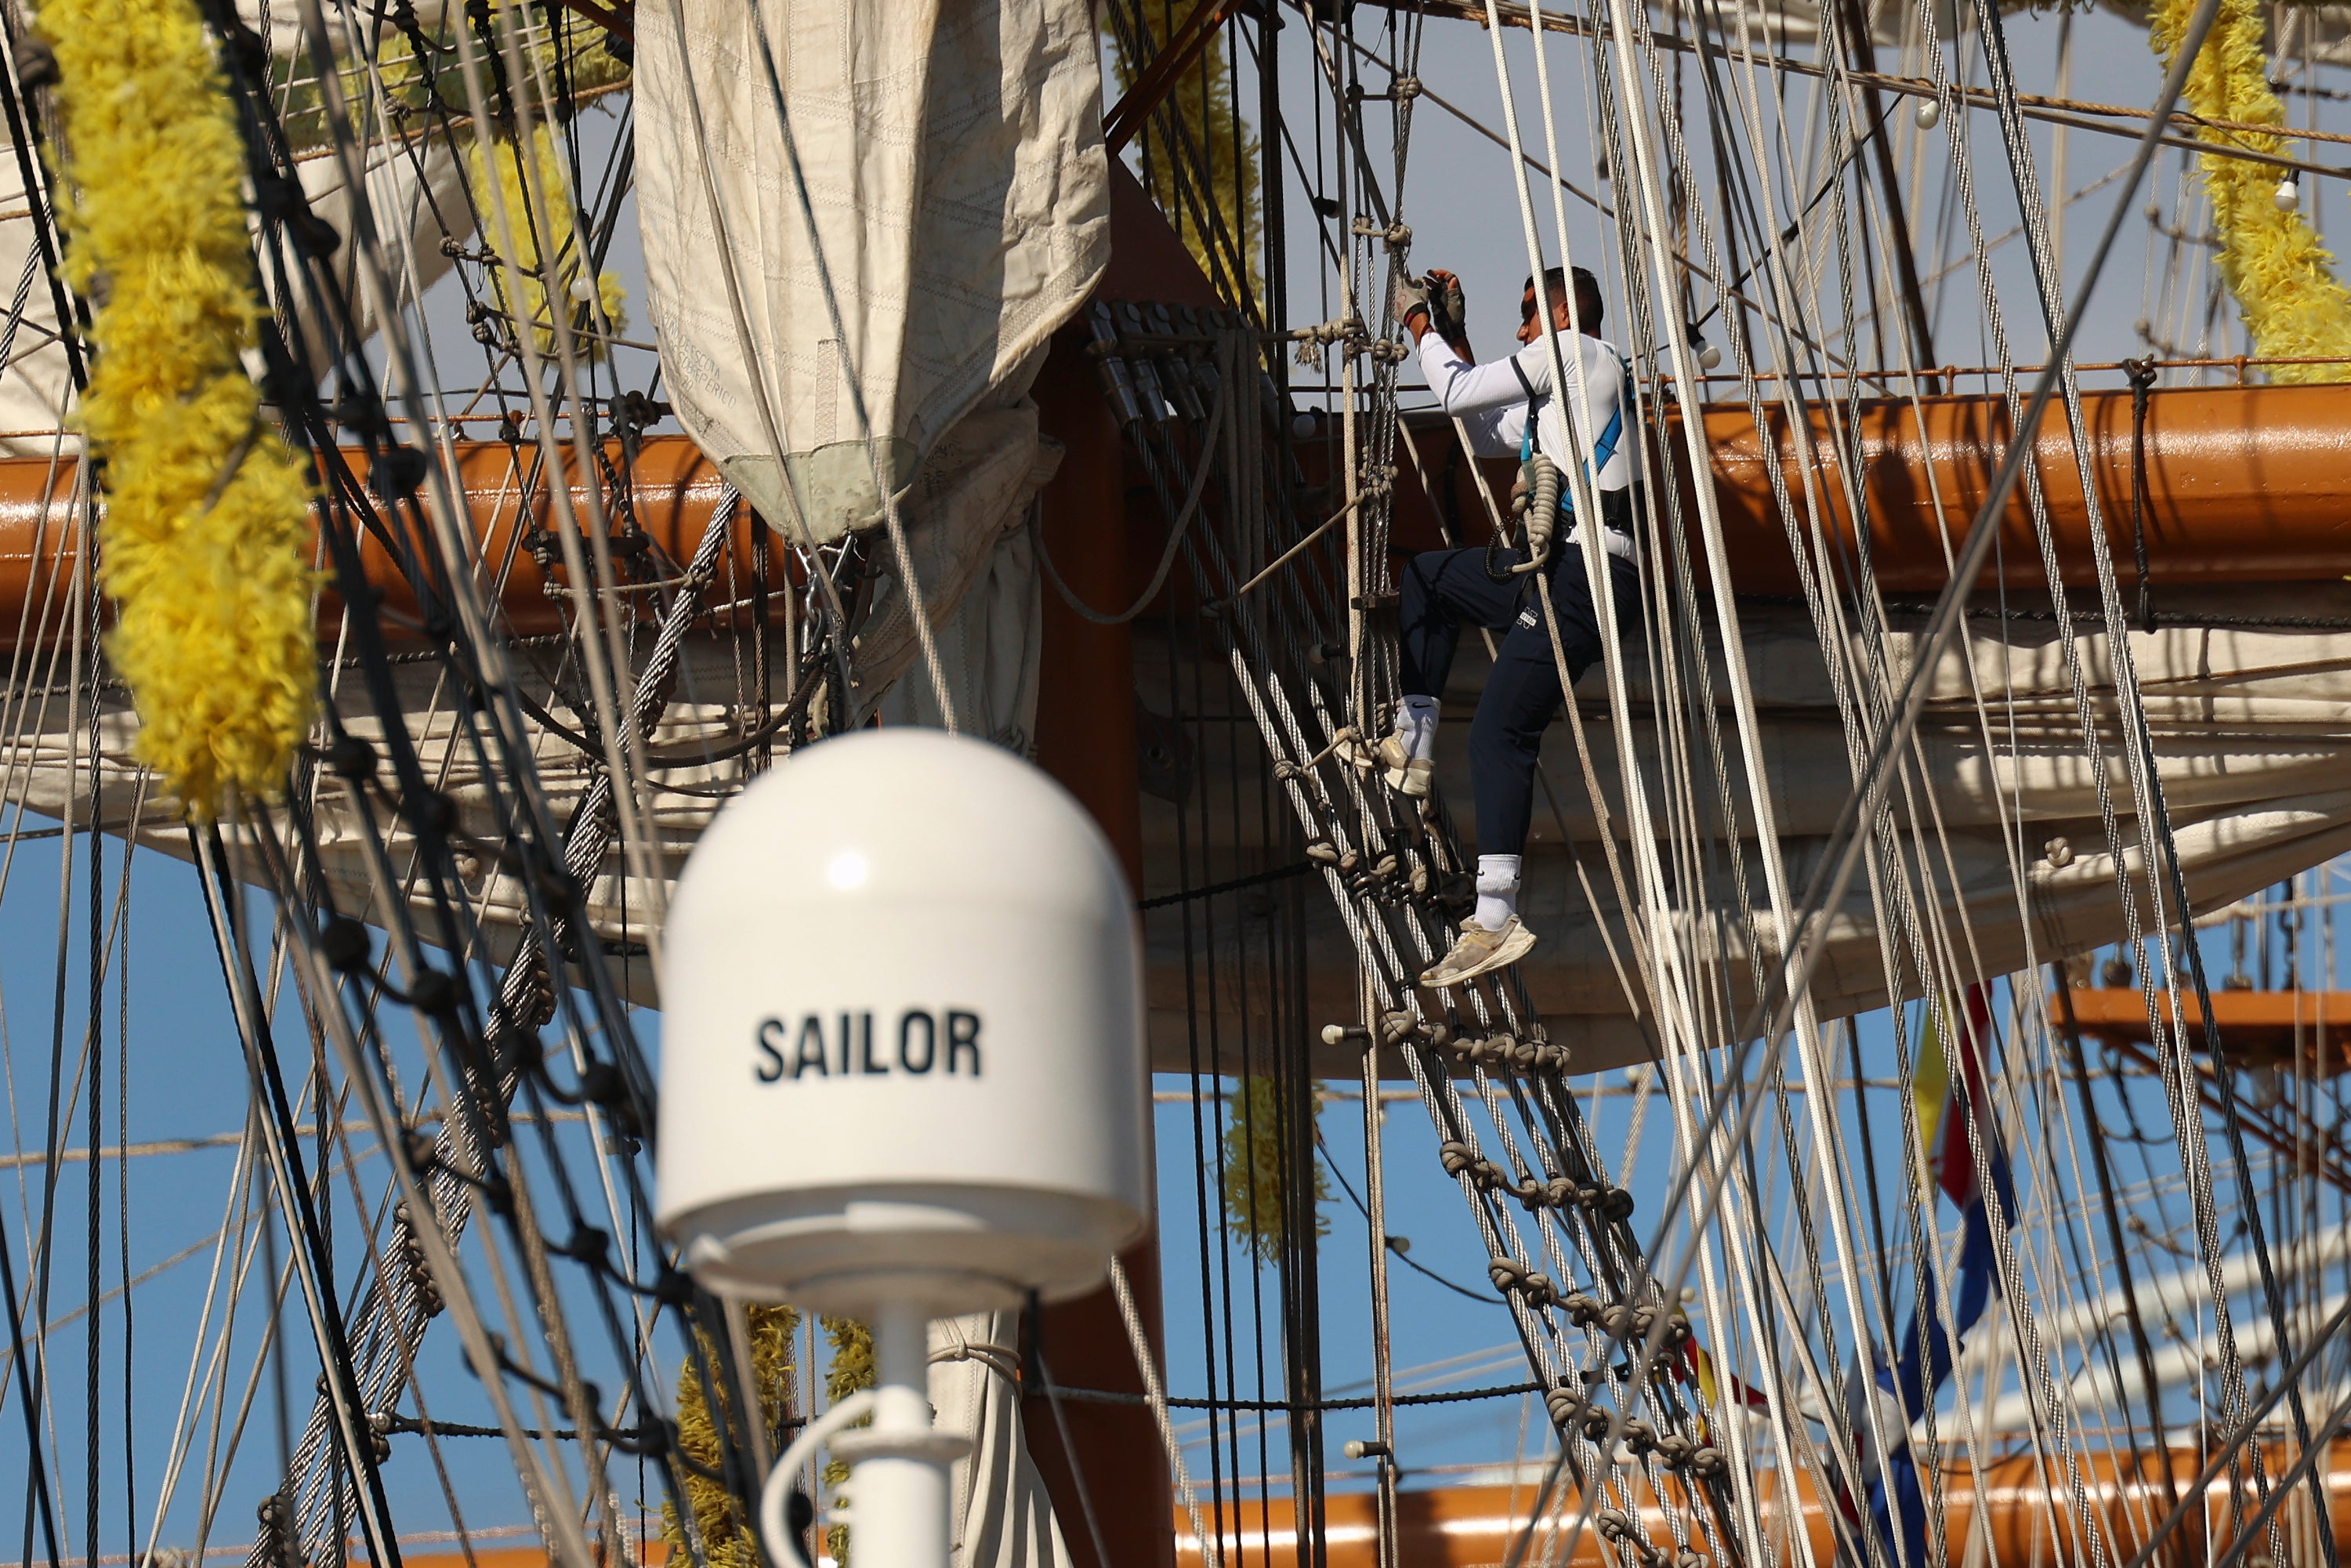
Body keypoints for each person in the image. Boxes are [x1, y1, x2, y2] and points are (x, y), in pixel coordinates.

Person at [1382, 263, 1643, 989]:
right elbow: (1483, 422)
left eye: (1528, 313)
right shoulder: (1561, 394)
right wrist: (1455, 332)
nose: (1521, 327)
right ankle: (1414, 738)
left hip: (1588, 574)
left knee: (1502, 727)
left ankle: (1495, 916)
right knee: (1429, 578)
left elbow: (1457, 391)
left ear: (1562, 314)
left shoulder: (1581, 353)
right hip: (1557, 571)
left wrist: (1418, 325)